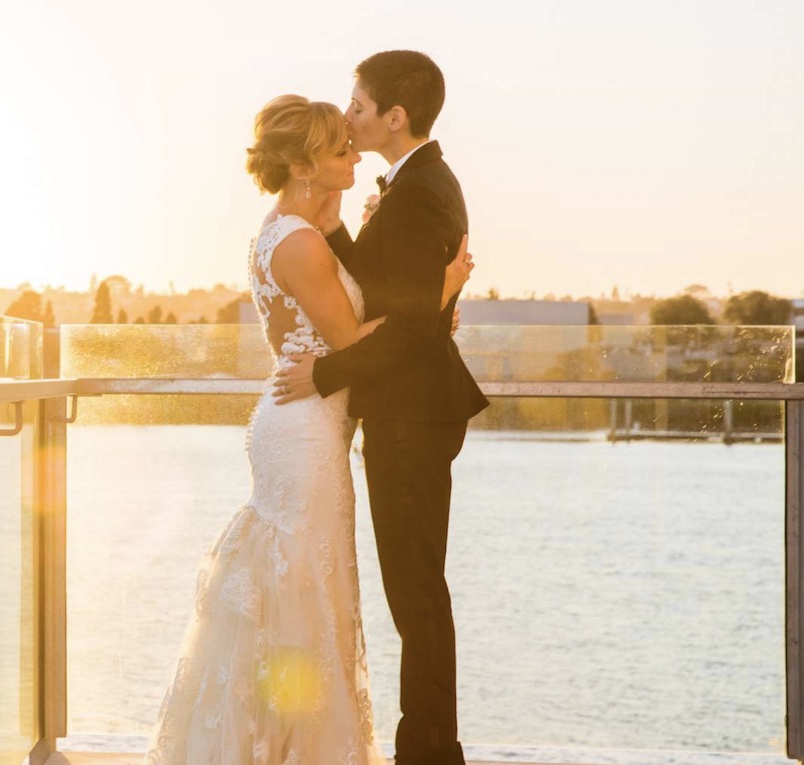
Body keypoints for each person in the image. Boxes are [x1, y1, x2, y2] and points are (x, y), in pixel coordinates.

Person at [145, 93, 472, 764]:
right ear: (301, 165)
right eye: (338, 149)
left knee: (307, 588)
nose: (353, 152)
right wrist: (435, 300)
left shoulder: (298, 228)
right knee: (303, 590)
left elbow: (359, 314)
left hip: (307, 427)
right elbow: (354, 339)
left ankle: (286, 743)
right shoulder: (295, 243)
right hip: (303, 432)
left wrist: (362, 238)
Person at [275, 50, 489, 765]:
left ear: (395, 117)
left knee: (416, 589)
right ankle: (429, 747)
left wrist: (326, 372)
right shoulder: (412, 186)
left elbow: (406, 329)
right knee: (414, 586)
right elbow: (393, 297)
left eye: (360, 107)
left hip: (413, 414)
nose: (351, 117)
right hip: (410, 412)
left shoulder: (423, 189)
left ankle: (429, 753)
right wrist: (342, 226)